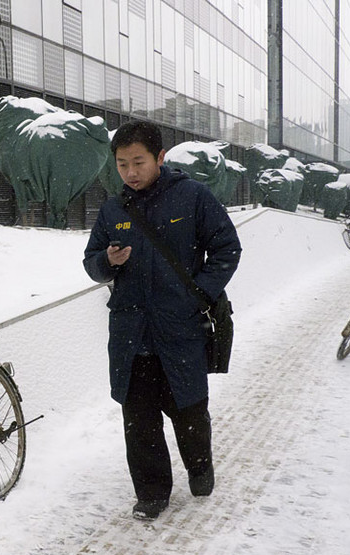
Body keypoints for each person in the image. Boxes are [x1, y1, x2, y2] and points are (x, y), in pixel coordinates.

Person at [83, 120, 241, 521]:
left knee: (189, 409)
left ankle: (199, 465)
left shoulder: (192, 197)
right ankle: (152, 492)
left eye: (138, 162)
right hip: (131, 334)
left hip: (179, 329)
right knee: (139, 420)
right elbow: (92, 264)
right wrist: (107, 262)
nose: (130, 172)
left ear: (160, 158)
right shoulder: (113, 209)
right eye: (121, 164)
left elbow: (227, 247)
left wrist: (199, 294)